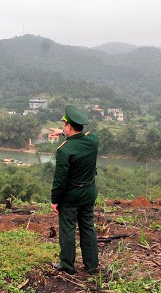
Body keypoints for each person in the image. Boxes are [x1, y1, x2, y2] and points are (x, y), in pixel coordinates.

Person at [49, 105, 99, 275]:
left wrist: (54, 200)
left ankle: (68, 265)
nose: (63, 127)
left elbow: (60, 180)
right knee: (87, 227)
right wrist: (62, 133)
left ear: (69, 126)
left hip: (70, 197)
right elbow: (82, 135)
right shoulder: (93, 142)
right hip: (88, 193)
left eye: (64, 124)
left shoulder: (64, 150)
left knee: (68, 230)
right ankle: (92, 265)